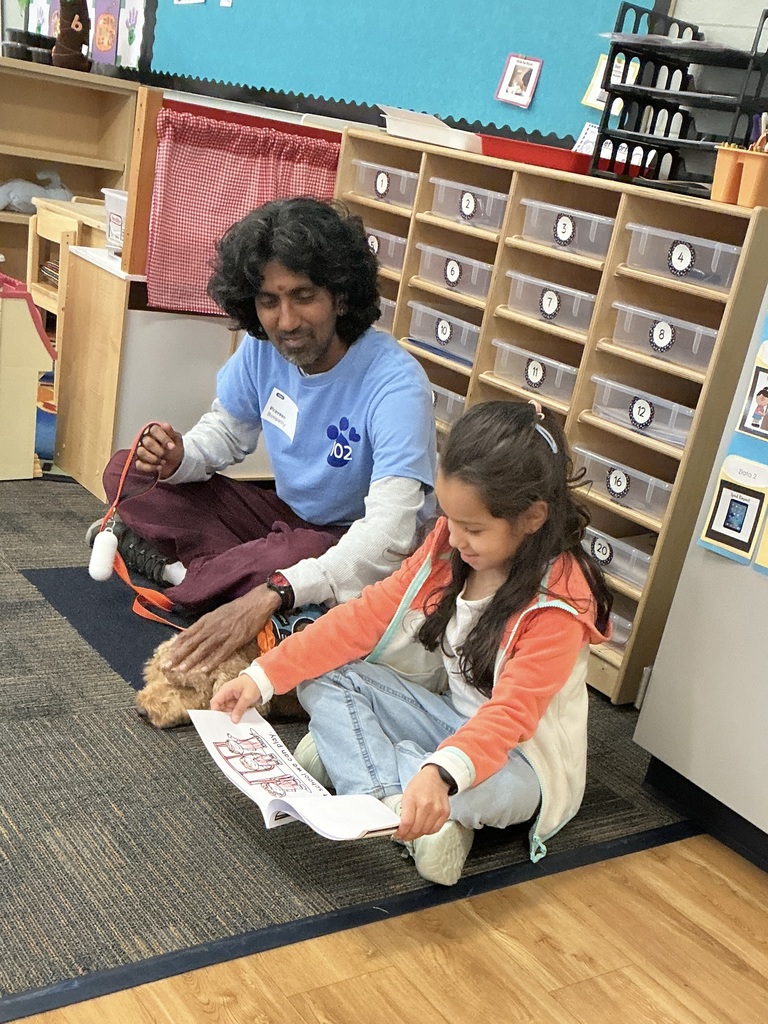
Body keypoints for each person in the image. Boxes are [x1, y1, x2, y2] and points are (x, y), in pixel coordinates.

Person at [211, 400, 612, 886]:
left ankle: (370, 770)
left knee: (473, 792)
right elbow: (365, 615)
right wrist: (261, 676)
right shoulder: (448, 544)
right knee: (324, 677)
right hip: (445, 721)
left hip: (521, 760)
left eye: (474, 528)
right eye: (449, 518)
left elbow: (510, 717)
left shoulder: (558, 604)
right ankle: (396, 806)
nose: (455, 536)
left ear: (532, 517)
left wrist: (440, 776)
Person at [90, 197, 437, 677]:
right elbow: (227, 433)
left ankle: (190, 577)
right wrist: (178, 458)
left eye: (303, 296)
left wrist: (280, 584)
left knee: (290, 555)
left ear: (340, 296)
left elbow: (390, 536)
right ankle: (214, 580)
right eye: (269, 301)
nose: (286, 321)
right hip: (283, 518)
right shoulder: (261, 349)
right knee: (128, 469)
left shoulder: (397, 384)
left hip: (350, 542)